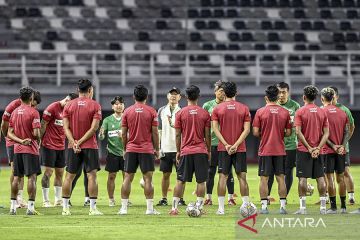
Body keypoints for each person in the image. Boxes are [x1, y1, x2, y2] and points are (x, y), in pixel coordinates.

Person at [61, 79, 103, 216]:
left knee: (69, 176)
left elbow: (65, 127)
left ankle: (65, 209)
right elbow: (94, 128)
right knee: (92, 176)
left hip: (72, 146)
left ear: (77, 90)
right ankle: (92, 209)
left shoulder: (68, 106)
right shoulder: (95, 105)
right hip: (90, 145)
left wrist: (74, 142)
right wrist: (80, 142)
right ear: (90, 90)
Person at [169, 85, 211, 215]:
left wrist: (178, 151)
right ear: (198, 96)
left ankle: (174, 208)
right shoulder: (204, 113)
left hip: (186, 151)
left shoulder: (180, 113)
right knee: (201, 181)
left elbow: (177, 135)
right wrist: (208, 150)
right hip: (200, 151)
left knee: (180, 180)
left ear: (186, 97)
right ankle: (199, 207)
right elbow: (207, 135)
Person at [119, 85, 160, 215]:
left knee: (127, 178)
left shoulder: (127, 111)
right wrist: (157, 149)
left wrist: (125, 148)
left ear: (133, 97)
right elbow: (155, 133)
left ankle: (124, 209)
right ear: (146, 97)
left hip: (131, 148)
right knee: (148, 179)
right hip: (146, 149)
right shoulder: (152, 111)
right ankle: (149, 209)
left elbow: (124, 133)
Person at [211, 81, 251, 215]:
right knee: (242, 177)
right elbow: (246, 130)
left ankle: (221, 209)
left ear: (224, 94)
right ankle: (246, 206)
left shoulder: (217, 108)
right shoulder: (244, 108)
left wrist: (227, 144)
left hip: (223, 148)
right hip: (240, 148)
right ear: (236, 93)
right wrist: (236, 145)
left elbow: (215, 129)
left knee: (222, 177)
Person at [253, 85, 292, 214]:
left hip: (265, 150)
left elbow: (255, 132)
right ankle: (283, 207)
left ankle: (264, 207)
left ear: (266, 98)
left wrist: (264, 135)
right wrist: (279, 134)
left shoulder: (260, 112)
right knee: (281, 178)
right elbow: (288, 132)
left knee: (264, 179)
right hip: (280, 150)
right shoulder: (285, 112)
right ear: (277, 97)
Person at [294, 85, 329, 215]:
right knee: (320, 178)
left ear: (304, 97)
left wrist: (309, 148)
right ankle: (323, 208)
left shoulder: (300, 111)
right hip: (319, 151)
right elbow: (326, 133)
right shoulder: (322, 112)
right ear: (316, 98)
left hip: (304, 150)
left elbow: (298, 132)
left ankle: (303, 209)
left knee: (302, 178)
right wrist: (318, 148)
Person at [8, 87, 42, 215]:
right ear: (31, 98)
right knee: (31, 178)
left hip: (17, 149)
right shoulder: (34, 112)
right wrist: (38, 139)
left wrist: (20, 141)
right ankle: (30, 208)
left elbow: (9, 133)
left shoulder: (15, 112)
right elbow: (36, 133)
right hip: (31, 149)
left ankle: (12, 207)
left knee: (16, 178)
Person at [40, 93, 78, 207]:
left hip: (61, 146)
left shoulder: (69, 111)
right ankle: (45, 201)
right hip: (48, 145)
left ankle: (58, 200)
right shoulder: (52, 107)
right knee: (48, 172)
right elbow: (43, 125)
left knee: (60, 173)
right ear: (67, 99)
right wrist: (38, 141)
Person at [203, 80, 236, 206]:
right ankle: (209, 197)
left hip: (227, 143)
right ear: (215, 91)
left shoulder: (229, 105)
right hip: (212, 143)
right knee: (210, 171)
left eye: (224, 91)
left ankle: (231, 198)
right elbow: (204, 125)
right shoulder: (207, 106)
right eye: (220, 91)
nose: (222, 93)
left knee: (228, 171)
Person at [267, 82, 300, 204]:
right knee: (269, 172)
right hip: (274, 145)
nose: (281, 95)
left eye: (284, 92)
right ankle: (268, 196)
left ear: (288, 93)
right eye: (279, 92)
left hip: (290, 145)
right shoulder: (271, 106)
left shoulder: (295, 106)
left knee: (288, 171)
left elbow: (298, 126)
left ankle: (284, 198)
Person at [320, 88, 349, 214]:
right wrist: (341, 145)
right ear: (334, 98)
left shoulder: (321, 112)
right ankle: (343, 207)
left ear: (322, 98)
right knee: (341, 178)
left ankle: (333, 207)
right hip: (341, 151)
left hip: (327, 150)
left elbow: (322, 133)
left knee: (329, 178)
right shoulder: (342, 112)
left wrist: (333, 146)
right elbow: (347, 131)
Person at [156, 87, 186, 206]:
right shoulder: (161, 110)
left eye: (176, 94)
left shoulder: (183, 111)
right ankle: (164, 198)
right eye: (171, 94)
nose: (173, 96)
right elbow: (159, 130)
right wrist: (158, 148)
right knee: (165, 174)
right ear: (167, 96)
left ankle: (180, 198)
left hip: (179, 148)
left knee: (181, 176)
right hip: (166, 148)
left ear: (179, 97)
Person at [329, 86, 356, 205]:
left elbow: (351, 127)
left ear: (337, 96)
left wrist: (343, 144)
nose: (331, 96)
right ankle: (326, 198)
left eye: (333, 94)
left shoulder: (344, 110)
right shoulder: (323, 109)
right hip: (328, 148)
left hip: (343, 148)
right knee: (328, 175)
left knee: (345, 172)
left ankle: (351, 196)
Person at [99, 96, 125, 207]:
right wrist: (101, 134)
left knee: (127, 176)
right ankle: (111, 199)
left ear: (124, 105)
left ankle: (125, 199)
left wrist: (124, 136)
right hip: (112, 152)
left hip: (126, 152)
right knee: (111, 176)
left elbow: (134, 133)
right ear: (112, 106)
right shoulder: (107, 120)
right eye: (116, 104)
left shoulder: (127, 118)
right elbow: (101, 136)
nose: (119, 106)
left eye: (121, 103)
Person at [1, 97, 25, 208]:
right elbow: (3, 124)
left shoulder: (29, 105)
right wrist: (7, 137)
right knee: (15, 170)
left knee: (22, 170)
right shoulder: (12, 106)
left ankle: (20, 198)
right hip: (12, 141)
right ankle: (14, 198)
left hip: (22, 141)